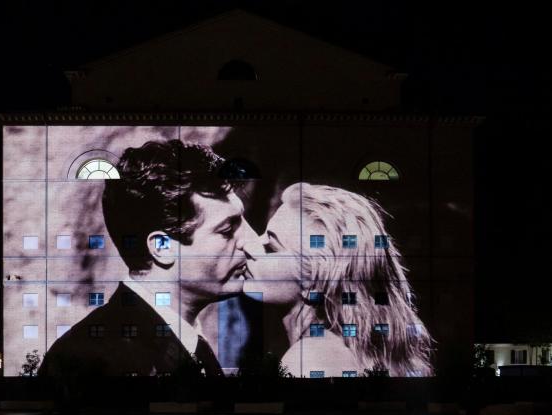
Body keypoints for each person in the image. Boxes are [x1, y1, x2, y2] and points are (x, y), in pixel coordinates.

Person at [39, 139, 260, 381]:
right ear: (162, 247)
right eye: (227, 230)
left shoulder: (190, 346)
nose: (252, 242)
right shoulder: (89, 361)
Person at [245, 182, 433, 377]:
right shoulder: (347, 352)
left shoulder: (310, 359)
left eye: (271, 248)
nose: (249, 247)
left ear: (314, 284)